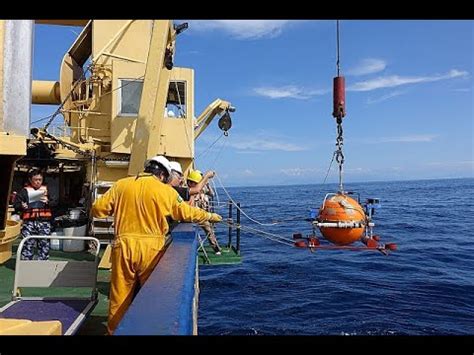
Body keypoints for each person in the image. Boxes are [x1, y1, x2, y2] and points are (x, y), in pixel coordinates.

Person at [91, 155, 222, 335]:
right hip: (152, 249)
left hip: (123, 247)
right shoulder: (165, 191)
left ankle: (114, 332)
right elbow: (186, 212)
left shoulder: (121, 185)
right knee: (152, 296)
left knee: (119, 298)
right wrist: (209, 216)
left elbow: (98, 209)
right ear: (162, 174)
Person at [13, 169, 52, 260]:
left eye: (40, 179)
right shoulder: (24, 191)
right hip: (29, 222)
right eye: (35, 179)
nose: (38, 182)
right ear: (30, 180)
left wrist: (48, 202)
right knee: (27, 244)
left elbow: (55, 203)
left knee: (44, 243)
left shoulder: (47, 190)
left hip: (44, 222)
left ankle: (42, 263)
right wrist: (22, 205)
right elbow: (16, 205)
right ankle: (26, 264)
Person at [186, 170, 222, 255]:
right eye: (195, 183)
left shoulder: (202, 189)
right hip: (192, 216)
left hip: (203, 216)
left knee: (209, 231)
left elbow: (212, 194)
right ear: (190, 182)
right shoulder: (186, 191)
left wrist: (208, 184)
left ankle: (216, 248)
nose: (197, 185)